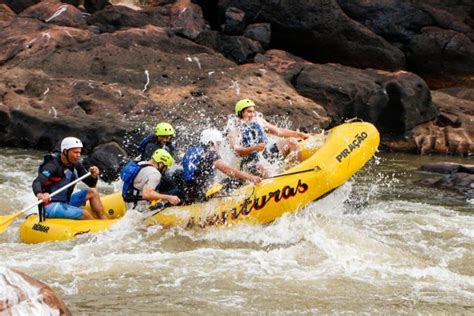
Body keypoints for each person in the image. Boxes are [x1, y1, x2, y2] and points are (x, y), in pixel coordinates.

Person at [227, 98, 309, 177]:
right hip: (249, 163)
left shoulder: (257, 120)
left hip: (265, 154)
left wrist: (299, 135)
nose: (252, 115)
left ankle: (297, 171)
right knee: (263, 165)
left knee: (291, 142)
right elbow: (237, 151)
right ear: (241, 113)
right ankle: (278, 184)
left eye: (253, 112)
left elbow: (278, 131)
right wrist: (253, 148)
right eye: (249, 112)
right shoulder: (233, 129)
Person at [32, 137, 107, 220]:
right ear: (65, 152)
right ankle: (96, 231)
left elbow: (91, 184)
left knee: (92, 192)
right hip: (49, 205)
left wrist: (93, 176)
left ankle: (104, 222)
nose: (78, 155)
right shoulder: (52, 166)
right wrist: (40, 194)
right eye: (75, 152)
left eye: (79, 152)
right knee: (86, 214)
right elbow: (37, 182)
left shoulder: (76, 165)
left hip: (65, 202)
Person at [182, 128, 262, 202]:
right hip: (200, 195)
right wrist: (251, 177)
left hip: (188, 194)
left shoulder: (191, 151)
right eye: (218, 143)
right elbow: (228, 170)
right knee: (238, 180)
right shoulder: (210, 153)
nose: (219, 146)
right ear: (211, 142)